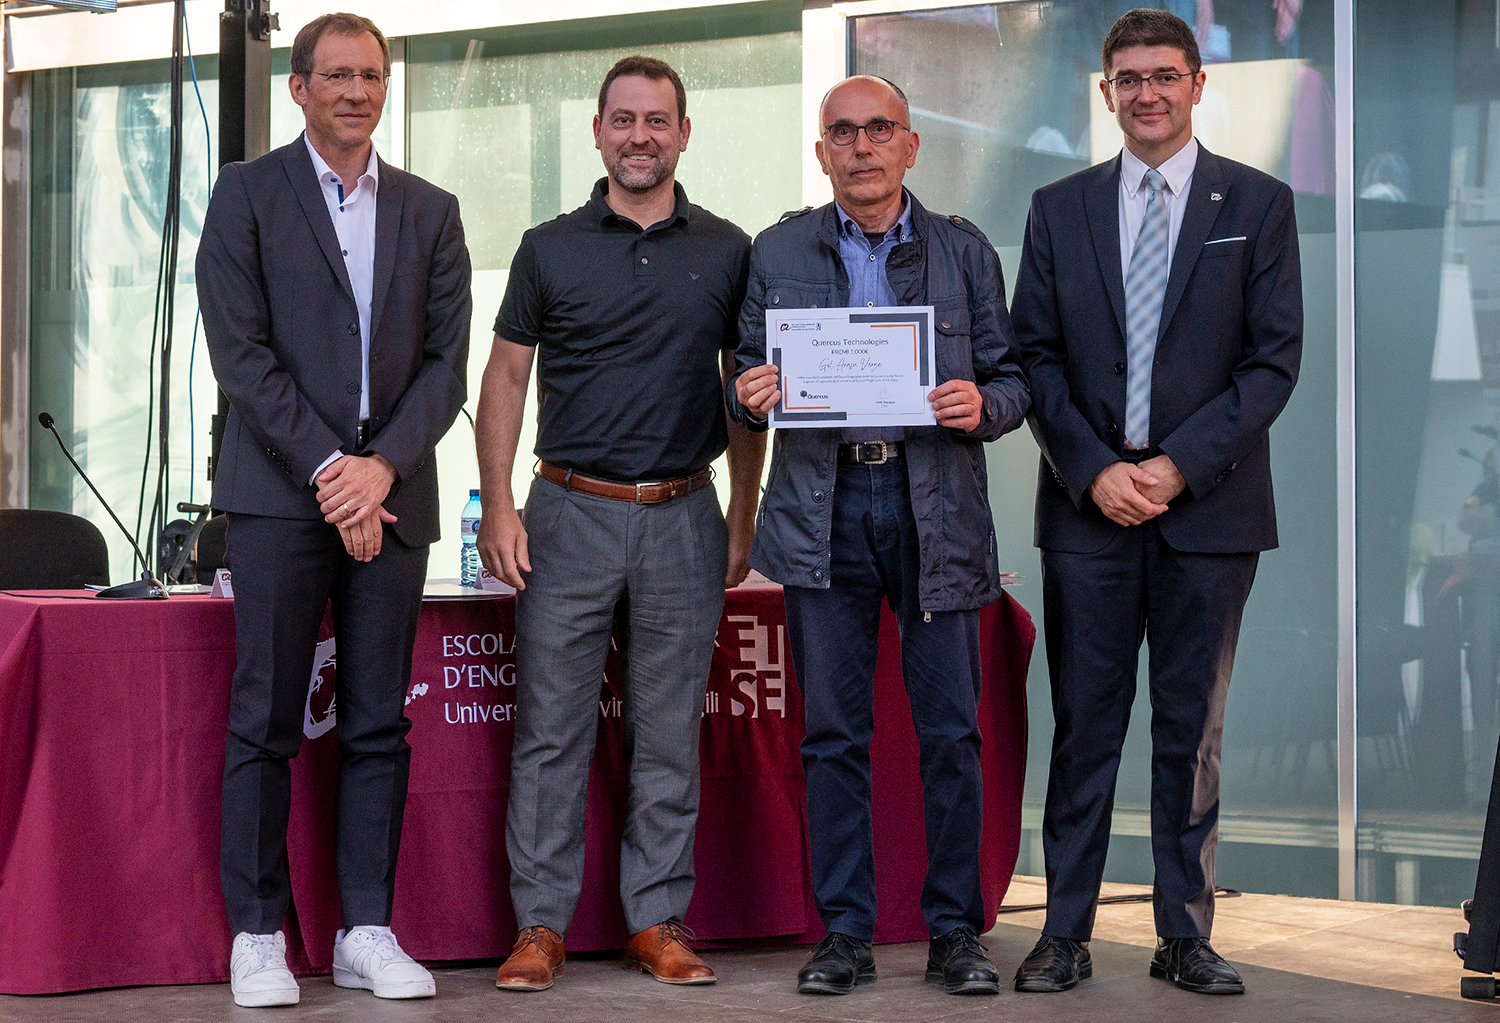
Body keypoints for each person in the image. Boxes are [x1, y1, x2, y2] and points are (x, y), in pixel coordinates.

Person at [1009, 8, 1302, 996]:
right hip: (1087, 507)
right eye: (1128, 78)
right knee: (1084, 726)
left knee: (1190, 730)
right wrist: (1094, 468)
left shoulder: (1257, 203)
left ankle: (1184, 934)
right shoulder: (1059, 208)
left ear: (1196, 85)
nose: (1147, 93)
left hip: (1209, 511)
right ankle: (1064, 932)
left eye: (1164, 76)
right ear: (1106, 92)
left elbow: (1273, 363)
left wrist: (1176, 468)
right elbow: (1034, 355)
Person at [729, 75, 1029, 998]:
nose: (861, 147)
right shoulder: (777, 248)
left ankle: (955, 931)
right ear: (821, 150)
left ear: (910, 145)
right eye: (843, 132)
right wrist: (750, 390)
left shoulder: (964, 251)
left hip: (935, 507)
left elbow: (1015, 380)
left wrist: (984, 404)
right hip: (821, 509)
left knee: (951, 733)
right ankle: (845, 933)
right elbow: (744, 370)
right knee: (831, 735)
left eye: (879, 129)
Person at [197, 11, 471, 1008]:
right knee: (265, 718)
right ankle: (258, 934)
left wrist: (379, 469)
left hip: (392, 495)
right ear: (298, 87)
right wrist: (332, 470)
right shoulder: (246, 194)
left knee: (377, 725)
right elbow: (241, 355)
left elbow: (447, 364)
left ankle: (365, 929)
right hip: (279, 496)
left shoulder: (430, 209)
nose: (357, 91)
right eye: (338, 75)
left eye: (372, 76)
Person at [474, 55, 763, 992]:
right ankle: (540, 926)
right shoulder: (547, 246)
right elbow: (505, 377)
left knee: (669, 731)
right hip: (567, 512)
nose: (641, 136)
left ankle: (655, 920)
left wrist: (743, 514)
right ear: (598, 132)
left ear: (684, 134)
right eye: (624, 120)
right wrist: (499, 505)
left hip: (684, 512)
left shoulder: (729, 250)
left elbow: (744, 396)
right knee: (551, 731)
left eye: (657, 120)